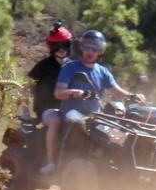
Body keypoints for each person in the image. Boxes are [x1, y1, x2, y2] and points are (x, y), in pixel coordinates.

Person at [41, 29, 137, 176]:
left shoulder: (103, 71)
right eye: (87, 47)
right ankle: (51, 162)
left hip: (95, 117)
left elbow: (116, 91)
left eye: (95, 48)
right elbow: (58, 93)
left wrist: (134, 96)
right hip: (71, 115)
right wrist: (75, 92)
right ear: (81, 48)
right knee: (76, 121)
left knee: (120, 131)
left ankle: (121, 169)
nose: (90, 51)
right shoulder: (70, 67)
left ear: (100, 51)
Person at [27, 25, 71, 156]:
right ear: (51, 47)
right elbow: (26, 86)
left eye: (65, 44)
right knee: (55, 121)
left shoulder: (73, 66)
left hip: (69, 109)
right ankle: (51, 160)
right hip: (46, 109)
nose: (61, 49)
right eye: (57, 45)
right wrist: (25, 111)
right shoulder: (43, 66)